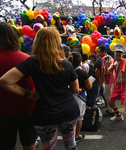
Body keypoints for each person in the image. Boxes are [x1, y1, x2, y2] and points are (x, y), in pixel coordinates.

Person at [0, 27, 80, 149]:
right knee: (70, 144)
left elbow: (5, 81)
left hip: (45, 112)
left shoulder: (31, 62)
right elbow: (75, 89)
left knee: (49, 146)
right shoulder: (67, 65)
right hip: (68, 110)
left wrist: (27, 93)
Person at [0, 22, 37, 150]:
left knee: (5, 145)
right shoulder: (27, 59)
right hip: (27, 109)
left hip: (3, 112)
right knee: (29, 142)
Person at [105, 44, 126, 132]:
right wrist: (106, 64)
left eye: (120, 53)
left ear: (122, 54)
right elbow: (106, 72)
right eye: (117, 53)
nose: (118, 54)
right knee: (110, 102)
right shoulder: (114, 63)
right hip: (117, 86)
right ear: (114, 54)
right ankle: (119, 116)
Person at [68, 52, 92, 143]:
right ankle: (77, 135)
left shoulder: (65, 70)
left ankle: (68, 134)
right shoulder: (82, 73)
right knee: (79, 117)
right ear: (80, 61)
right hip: (79, 97)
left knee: (69, 117)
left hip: (67, 96)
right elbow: (89, 86)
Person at [101, 46, 116, 117]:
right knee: (109, 94)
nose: (98, 53)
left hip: (109, 79)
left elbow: (103, 71)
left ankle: (111, 110)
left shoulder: (104, 58)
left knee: (107, 95)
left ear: (104, 52)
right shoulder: (110, 57)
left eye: (99, 52)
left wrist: (101, 82)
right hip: (112, 78)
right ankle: (111, 108)